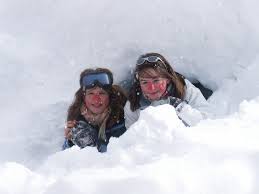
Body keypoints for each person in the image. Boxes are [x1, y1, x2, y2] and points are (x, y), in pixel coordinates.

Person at [124, 52, 210, 128]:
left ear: (167, 79)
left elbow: (206, 122)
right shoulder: (133, 104)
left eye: (156, 80)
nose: (151, 88)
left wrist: (179, 107)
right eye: (145, 82)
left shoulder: (184, 89)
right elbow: (133, 138)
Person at [63, 68, 127, 152]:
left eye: (101, 93)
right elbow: (65, 159)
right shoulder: (76, 118)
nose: (96, 99)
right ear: (83, 97)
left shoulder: (124, 117)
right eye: (91, 93)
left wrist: (94, 144)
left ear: (110, 96)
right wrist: (71, 142)